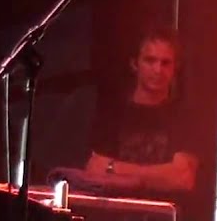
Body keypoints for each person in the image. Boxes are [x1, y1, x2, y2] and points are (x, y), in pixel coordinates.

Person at [84, 27, 198, 195]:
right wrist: (162, 174)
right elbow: (94, 171)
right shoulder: (112, 113)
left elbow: (182, 178)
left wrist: (113, 167)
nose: (158, 70)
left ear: (176, 67)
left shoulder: (185, 117)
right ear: (134, 63)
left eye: (165, 63)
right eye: (150, 60)